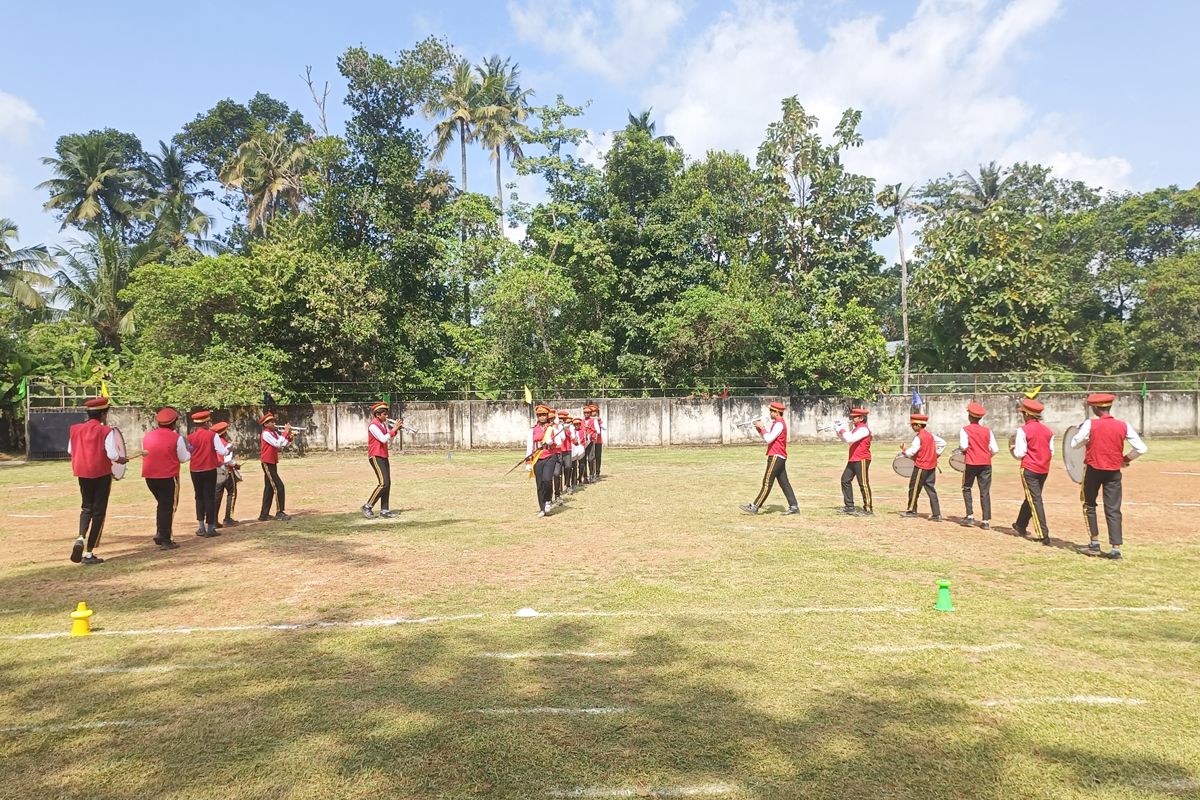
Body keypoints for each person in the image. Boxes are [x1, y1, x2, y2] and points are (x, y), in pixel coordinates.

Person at [1070, 393, 1148, 561]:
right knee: (1113, 508)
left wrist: (1084, 436)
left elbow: (1074, 444)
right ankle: (1115, 549)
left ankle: (1094, 543)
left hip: (1093, 468)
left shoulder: (1090, 424)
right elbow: (1141, 448)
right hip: (1113, 471)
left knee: (1089, 504)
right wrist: (1126, 459)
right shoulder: (1124, 425)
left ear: (1095, 408)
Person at [67, 397, 127, 564]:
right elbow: (112, 455)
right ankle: (88, 552)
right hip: (101, 474)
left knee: (86, 507)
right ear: (103, 414)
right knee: (99, 511)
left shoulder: (75, 429)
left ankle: (80, 537)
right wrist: (121, 459)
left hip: (82, 473)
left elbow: (70, 450)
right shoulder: (106, 431)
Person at [141, 407, 191, 550]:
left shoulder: (147, 436)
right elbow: (183, 458)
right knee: (168, 507)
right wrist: (190, 452)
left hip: (150, 476)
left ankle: (160, 532)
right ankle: (166, 539)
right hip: (168, 476)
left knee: (162, 505)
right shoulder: (176, 438)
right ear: (174, 423)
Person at [739, 401, 800, 516]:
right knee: (784, 483)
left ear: (777, 413)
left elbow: (768, 439)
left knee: (767, 482)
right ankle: (794, 507)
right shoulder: (777, 424)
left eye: (771, 411)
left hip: (776, 456)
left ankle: (755, 506)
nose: (770, 413)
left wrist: (762, 426)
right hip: (779, 456)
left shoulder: (779, 424)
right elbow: (766, 437)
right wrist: (759, 428)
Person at [1011, 398, 1055, 544]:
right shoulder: (1048, 430)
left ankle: (1043, 534)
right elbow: (1051, 452)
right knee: (1032, 496)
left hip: (1030, 468)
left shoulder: (1023, 430)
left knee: (1035, 499)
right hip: (1043, 469)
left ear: (1027, 414)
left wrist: (1013, 450)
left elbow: (1020, 453)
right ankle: (1020, 524)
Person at [187, 410, 230, 538]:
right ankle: (210, 527)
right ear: (206, 423)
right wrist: (229, 449)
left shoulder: (190, 437)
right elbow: (222, 452)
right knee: (209, 497)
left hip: (195, 469)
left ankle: (201, 526)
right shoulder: (212, 435)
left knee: (199, 497)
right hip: (209, 469)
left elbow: (189, 453)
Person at [958, 402, 999, 529]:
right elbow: (995, 449)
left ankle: (970, 515)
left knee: (967, 487)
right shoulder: (987, 430)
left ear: (969, 416)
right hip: (986, 463)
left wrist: (962, 449)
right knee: (985, 491)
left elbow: (964, 446)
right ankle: (985, 520)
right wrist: (987, 456)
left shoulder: (965, 429)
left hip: (971, 462)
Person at [899, 413, 946, 521]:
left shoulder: (919, 437)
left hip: (921, 466)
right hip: (931, 466)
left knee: (914, 488)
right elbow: (943, 443)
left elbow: (910, 453)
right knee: (931, 489)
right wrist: (936, 455)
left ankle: (912, 510)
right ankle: (937, 514)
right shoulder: (930, 435)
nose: (912, 427)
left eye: (913, 425)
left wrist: (904, 449)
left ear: (919, 426)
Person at [362, 401, 403, 519]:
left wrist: (396, 430)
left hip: (384, 455)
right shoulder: (373, 426)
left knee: (387, 483)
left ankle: (385, 510)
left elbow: (389, 437)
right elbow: (383, 439)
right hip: (376, 456)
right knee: (383, 483)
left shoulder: (382, 425)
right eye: (384, 414)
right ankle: (367, 506)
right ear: (378, 414)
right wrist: (394, 429)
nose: (386, 416)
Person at [834, 408, 873, 516]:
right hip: (853, 458)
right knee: (845, 480)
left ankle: (868, 509)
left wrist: (841, 429)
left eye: (854, 417)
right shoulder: (856, 429)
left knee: (863, 484)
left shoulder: (863, 429)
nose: (852, 419)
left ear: (861, 418)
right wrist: (838, 431)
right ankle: (849, 506)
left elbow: (850, 439)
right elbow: (845, 439)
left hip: (862, 458)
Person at [259, 413, 294, 521]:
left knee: (269, 488)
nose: (274, 423)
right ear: (266, 424)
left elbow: (283, 444)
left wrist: (290, 437)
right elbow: (277, 444)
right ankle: (280, 511)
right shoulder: (266, 433)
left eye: (274, 421)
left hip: (272, 461)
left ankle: (264, 514)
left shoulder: (273, 433)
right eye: (272, 422)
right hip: (267, 462)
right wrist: (286, 432)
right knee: (279, 486)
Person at [526, 404, 557, 516]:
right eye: (539, 415)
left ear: (547, 416)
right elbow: (529, 446)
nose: (542, 417)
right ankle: (542, 508)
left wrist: (551, 443)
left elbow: (558, 444)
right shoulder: (532, 430)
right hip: (537, 458)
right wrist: (528, 462)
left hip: (550, 456)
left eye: (544, 415)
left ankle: (548, 499)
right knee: (540, 483)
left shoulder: (552, 429)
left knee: (547, 479)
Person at [211, 422, 240, 528]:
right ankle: (228, 518)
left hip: (217, 471)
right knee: (231, 493)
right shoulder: (226, 444)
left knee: (217, 496)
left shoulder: (213, 444)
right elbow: (228, 460)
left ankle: (214, 520)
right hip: (227, 471)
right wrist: (236, 465)